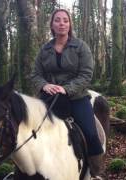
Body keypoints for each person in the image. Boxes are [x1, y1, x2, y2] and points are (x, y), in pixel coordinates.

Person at [31, 9, 104, 179]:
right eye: (57, 20)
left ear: (70, 24)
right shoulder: (44, 50)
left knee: (91, 134)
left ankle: (95, 172)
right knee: (31, 131)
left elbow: (86, 74)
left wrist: (67, 88)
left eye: (65, 20)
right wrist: (44, 85)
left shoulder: (80, 47)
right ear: (52, 25)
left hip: (76, 97)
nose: (61, 23)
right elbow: (35, 74)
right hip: (49, 97)